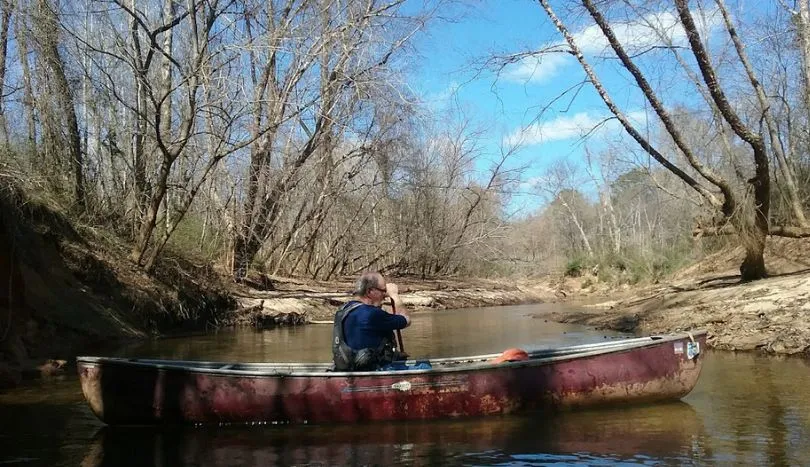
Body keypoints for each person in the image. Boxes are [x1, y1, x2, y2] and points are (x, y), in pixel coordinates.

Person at [332, 271, 411, 371]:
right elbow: (406, 319)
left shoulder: (343, 310)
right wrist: (395, 296)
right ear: (370, 291)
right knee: (424, 366)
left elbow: (360, 343)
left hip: (349, 368)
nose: (384, 295)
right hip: (372, 370)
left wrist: (396, 355)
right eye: (383, 291)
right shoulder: (372, 314)